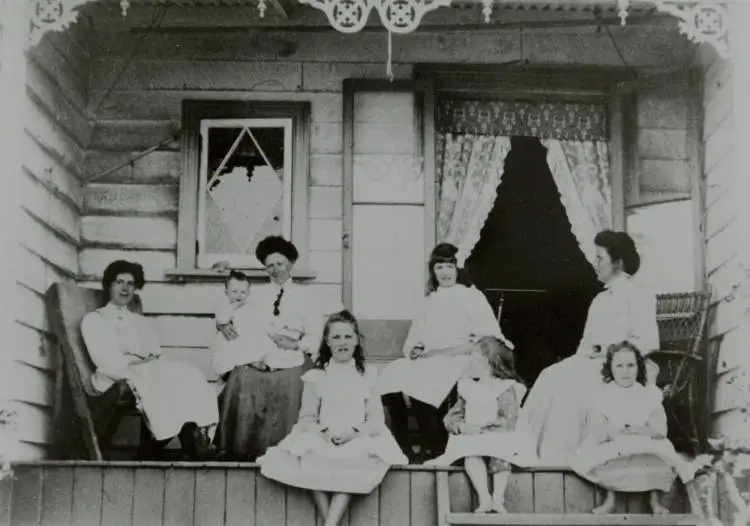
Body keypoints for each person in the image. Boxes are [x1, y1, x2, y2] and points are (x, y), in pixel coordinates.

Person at [520, 230, 660, 464]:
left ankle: (570, 459)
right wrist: (581, 359)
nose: (595, 264)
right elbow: (585, 345)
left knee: (573, 384)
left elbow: (647, 341)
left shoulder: (638, 294)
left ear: (618, 262)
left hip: (623, 367)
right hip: (592, 363)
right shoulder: (600, 300)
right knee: (551, 375)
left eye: (600, 259)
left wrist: (610, 354)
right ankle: (539, 456)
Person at [258, 311, 407, 526]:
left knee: (354, 462)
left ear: (356, 340)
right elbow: (306, 418)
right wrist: (323, 433)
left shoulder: (368, 374)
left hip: (357, 435)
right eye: (336, 337)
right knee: (309, 457)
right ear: (327, 342)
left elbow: (376, 421)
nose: (342, 343)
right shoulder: (316, 376)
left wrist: (354, 433)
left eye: (348, 337)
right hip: (324, 435)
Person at [378, 243, 508, 462]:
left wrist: (441, 352)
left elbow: (484, 340)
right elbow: (414, 339)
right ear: (432, 271)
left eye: (449, 266)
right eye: (439, 267)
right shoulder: (428, 300)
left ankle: (435, 448)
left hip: (462, 357)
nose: (445, 273)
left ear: (458, 268)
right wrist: (416, 349)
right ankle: (405, 449)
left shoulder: (471, 296)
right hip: (430, 358)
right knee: (390, 377)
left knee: (422, 383)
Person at [215, 236, 338, 460]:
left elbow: (315, 335)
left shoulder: (307, 296)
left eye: (279, 264)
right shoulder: (255, 295)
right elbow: (236, 316)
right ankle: (242, 448)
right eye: (269, 265)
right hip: (260, 350)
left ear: (290, 264)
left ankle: (288, 448)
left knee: (292, 380)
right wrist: (222, 323)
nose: (275, 270)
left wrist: (295, 344)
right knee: (243, 375)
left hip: (294, 353)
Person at [81, 260, 219, 460]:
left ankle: (193, 437)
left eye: (130, 283)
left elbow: (155, 353)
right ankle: (181, 443)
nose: (125, 288)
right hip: (114, 373)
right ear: (109, 285)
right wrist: (140, 363)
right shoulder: (95, 320)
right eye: (120, 282)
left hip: (146, 369)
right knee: (157, 376)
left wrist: (148, 361)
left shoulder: (140, 322)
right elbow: (103, 359)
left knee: (187, 372)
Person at [570, 341, 695, 514]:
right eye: (619, 366)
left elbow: (659, 429)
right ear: (610, 368)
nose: (625, 371)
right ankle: (610, 498)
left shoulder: (648, 394)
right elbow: (597, 427)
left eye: (630, 365)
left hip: (643, 438)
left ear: (638, 367)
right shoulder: (603, 395)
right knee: (605, 454)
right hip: (615, 439)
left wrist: (640, 431)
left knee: (658, 452)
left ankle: (654, 500)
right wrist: (611, 433)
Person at [428, 336, 537, 513]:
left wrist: (485, 428)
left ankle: (498, 498)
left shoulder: (506, 388)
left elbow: (509, 420)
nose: (470, 365)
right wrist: (462, 427)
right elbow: (451, 418)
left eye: (474, 360)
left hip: (501, 436)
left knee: (501, 456)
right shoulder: (469, 388)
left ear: (487, 362)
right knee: (471, 456)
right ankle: (484, 497)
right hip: (474, 439)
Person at [211, 270, 302, 379]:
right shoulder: (227, 308)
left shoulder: (250, 307)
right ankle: (231, 370)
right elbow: (221, 320)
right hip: (234, 340)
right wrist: (225, 318)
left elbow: (261, 323)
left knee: (266, 349)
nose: (238, 295)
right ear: (226, 292)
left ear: (248, 293)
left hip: (251, 338)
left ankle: (260, 363)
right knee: (231, 353)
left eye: (242, 292)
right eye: (234, 291)